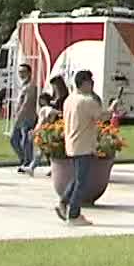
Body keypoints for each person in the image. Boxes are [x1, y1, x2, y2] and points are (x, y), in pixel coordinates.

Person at [58, 69, 104, 226]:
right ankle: (74, 214)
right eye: (90, 82)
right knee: (81, 182)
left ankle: (64, 202)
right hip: (83, 144)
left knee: (78, 178)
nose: (92, 85)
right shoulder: (86, 101)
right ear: (84, 83)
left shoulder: (69, 100)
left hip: (72, 143)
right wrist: (112, 109)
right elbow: (101, 116)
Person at [10, 64, 39, 174]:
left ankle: (27, 162)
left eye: (23, 72)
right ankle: (24, 160)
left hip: (27, 118)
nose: (21, 74)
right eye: (20, 72)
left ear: (30, 73)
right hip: (20, 118)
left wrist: (18, 117)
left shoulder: (31, 87)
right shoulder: (23, 86)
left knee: (25, 142)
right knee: (15, 140)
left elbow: (26, 104)